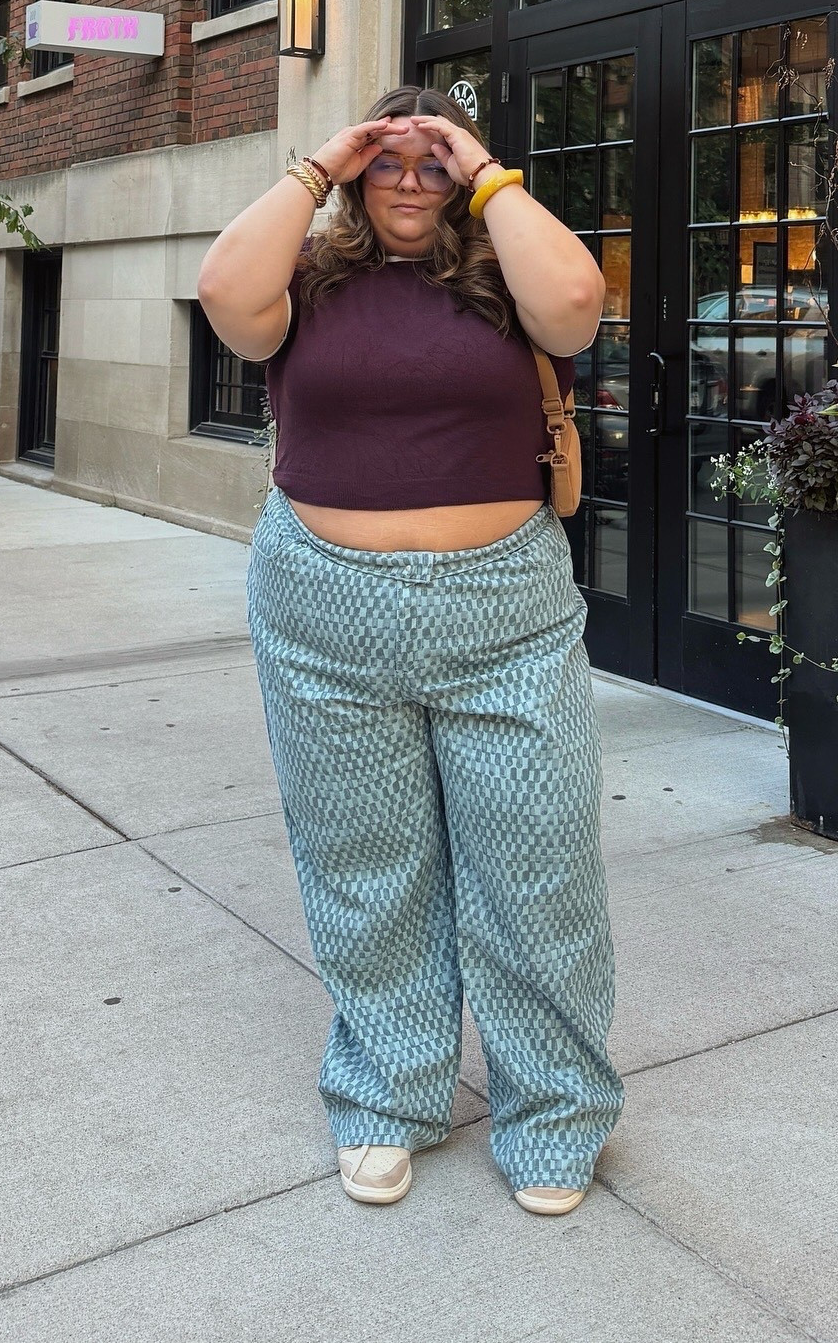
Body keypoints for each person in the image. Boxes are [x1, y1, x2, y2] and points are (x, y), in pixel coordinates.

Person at [197, 86, 625, 1217]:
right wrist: (322, 162)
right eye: (388, 159)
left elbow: (578, 306)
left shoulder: (507, 277)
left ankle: (556, 1109)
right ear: (354, 173)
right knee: (364, 864)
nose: (408, 180)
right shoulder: (309, 279)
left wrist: (478, 166)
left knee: (539, 865)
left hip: (506, 611)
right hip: (322, 607)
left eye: (431, 163)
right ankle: (388, 1094)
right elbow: (223, 293)